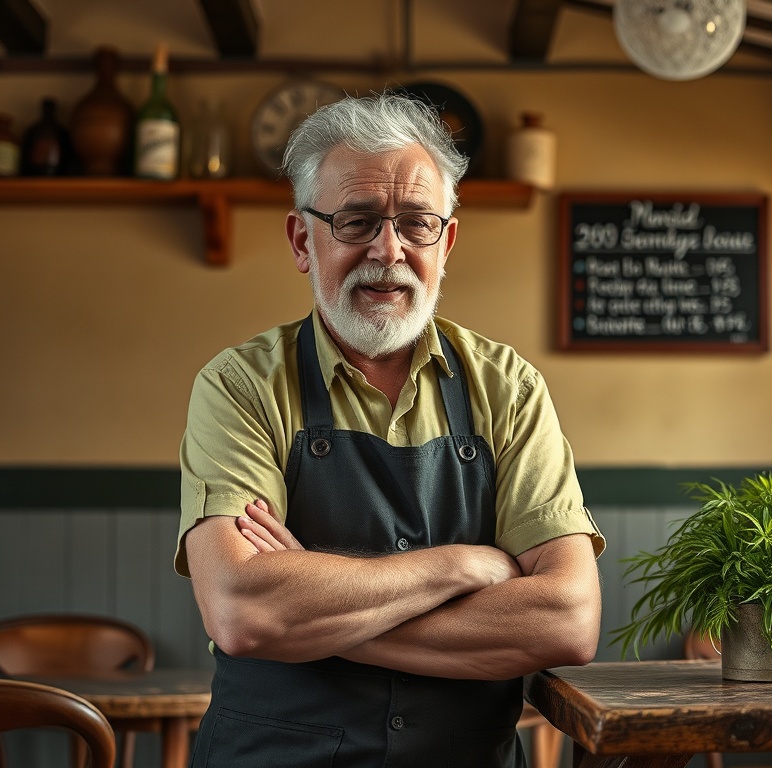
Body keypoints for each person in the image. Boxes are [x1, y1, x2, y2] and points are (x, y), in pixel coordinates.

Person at [175, 91, 605, 768]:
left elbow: (568, 620)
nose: (389, 250)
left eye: (416, 224)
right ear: (302, 240)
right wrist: (464, 566)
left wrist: (309, 617)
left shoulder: (509, 388)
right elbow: (243, 611)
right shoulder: (240, 386)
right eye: (356, 221)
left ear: (446, 242)